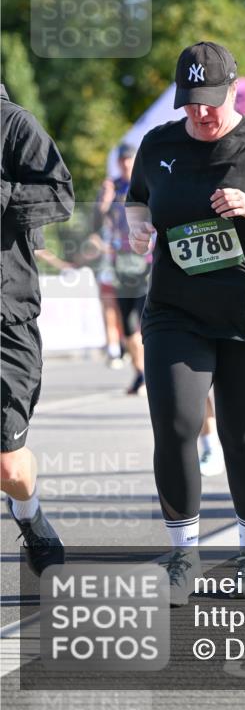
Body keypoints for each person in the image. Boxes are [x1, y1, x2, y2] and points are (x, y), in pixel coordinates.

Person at [125, 42, 245, 603]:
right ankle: (182, 557)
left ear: (232, 90)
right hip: (175, 310)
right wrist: (139, 229)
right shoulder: (158, 144)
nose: (200, 113)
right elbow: (139, 201)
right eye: (190, 103)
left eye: (210, 101)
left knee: (240, 436)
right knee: (178, 427)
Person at [1, 84, 75, 574]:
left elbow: (60, 193)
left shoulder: (13, 124)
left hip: (6, 315)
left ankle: (29, 516)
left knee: (8, 465)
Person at [95, 142, 150, 394]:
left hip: (145, 264)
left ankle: (150, 373)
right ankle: (141, 373)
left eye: (130, 160)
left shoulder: (146, 182)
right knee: (128, 327)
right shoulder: (112, 186)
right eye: (122, 161)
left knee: (143, 323)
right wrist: (103, 203)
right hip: (121, 266)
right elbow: (95, 223)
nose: (126, 164)